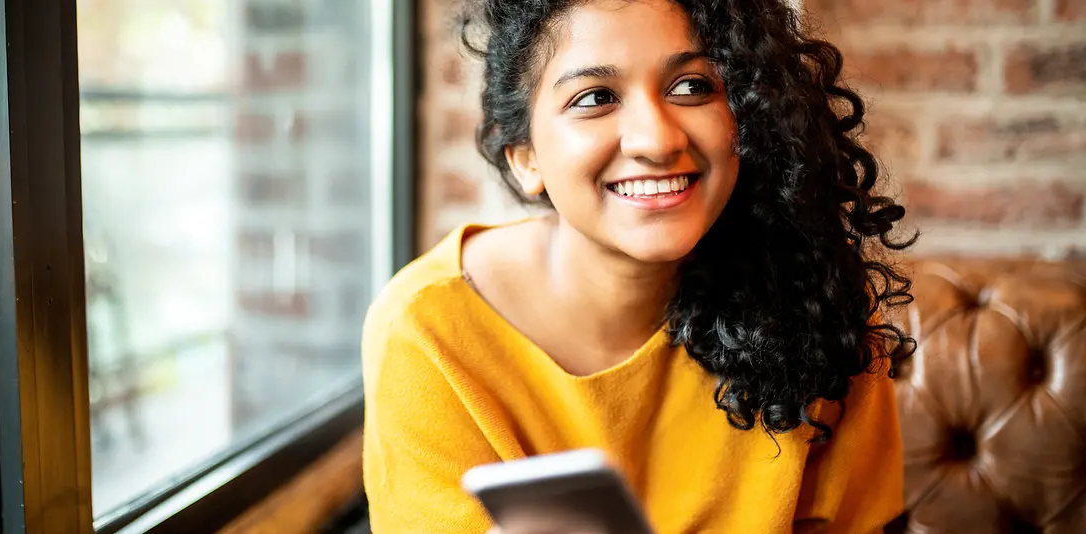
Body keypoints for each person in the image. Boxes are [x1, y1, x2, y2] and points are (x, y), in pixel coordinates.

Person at [361, 0, 917, 532]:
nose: (655, 140)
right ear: (527, 158)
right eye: (594, 97)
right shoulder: (427, 333)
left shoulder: (817, 296)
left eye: (693, 87)